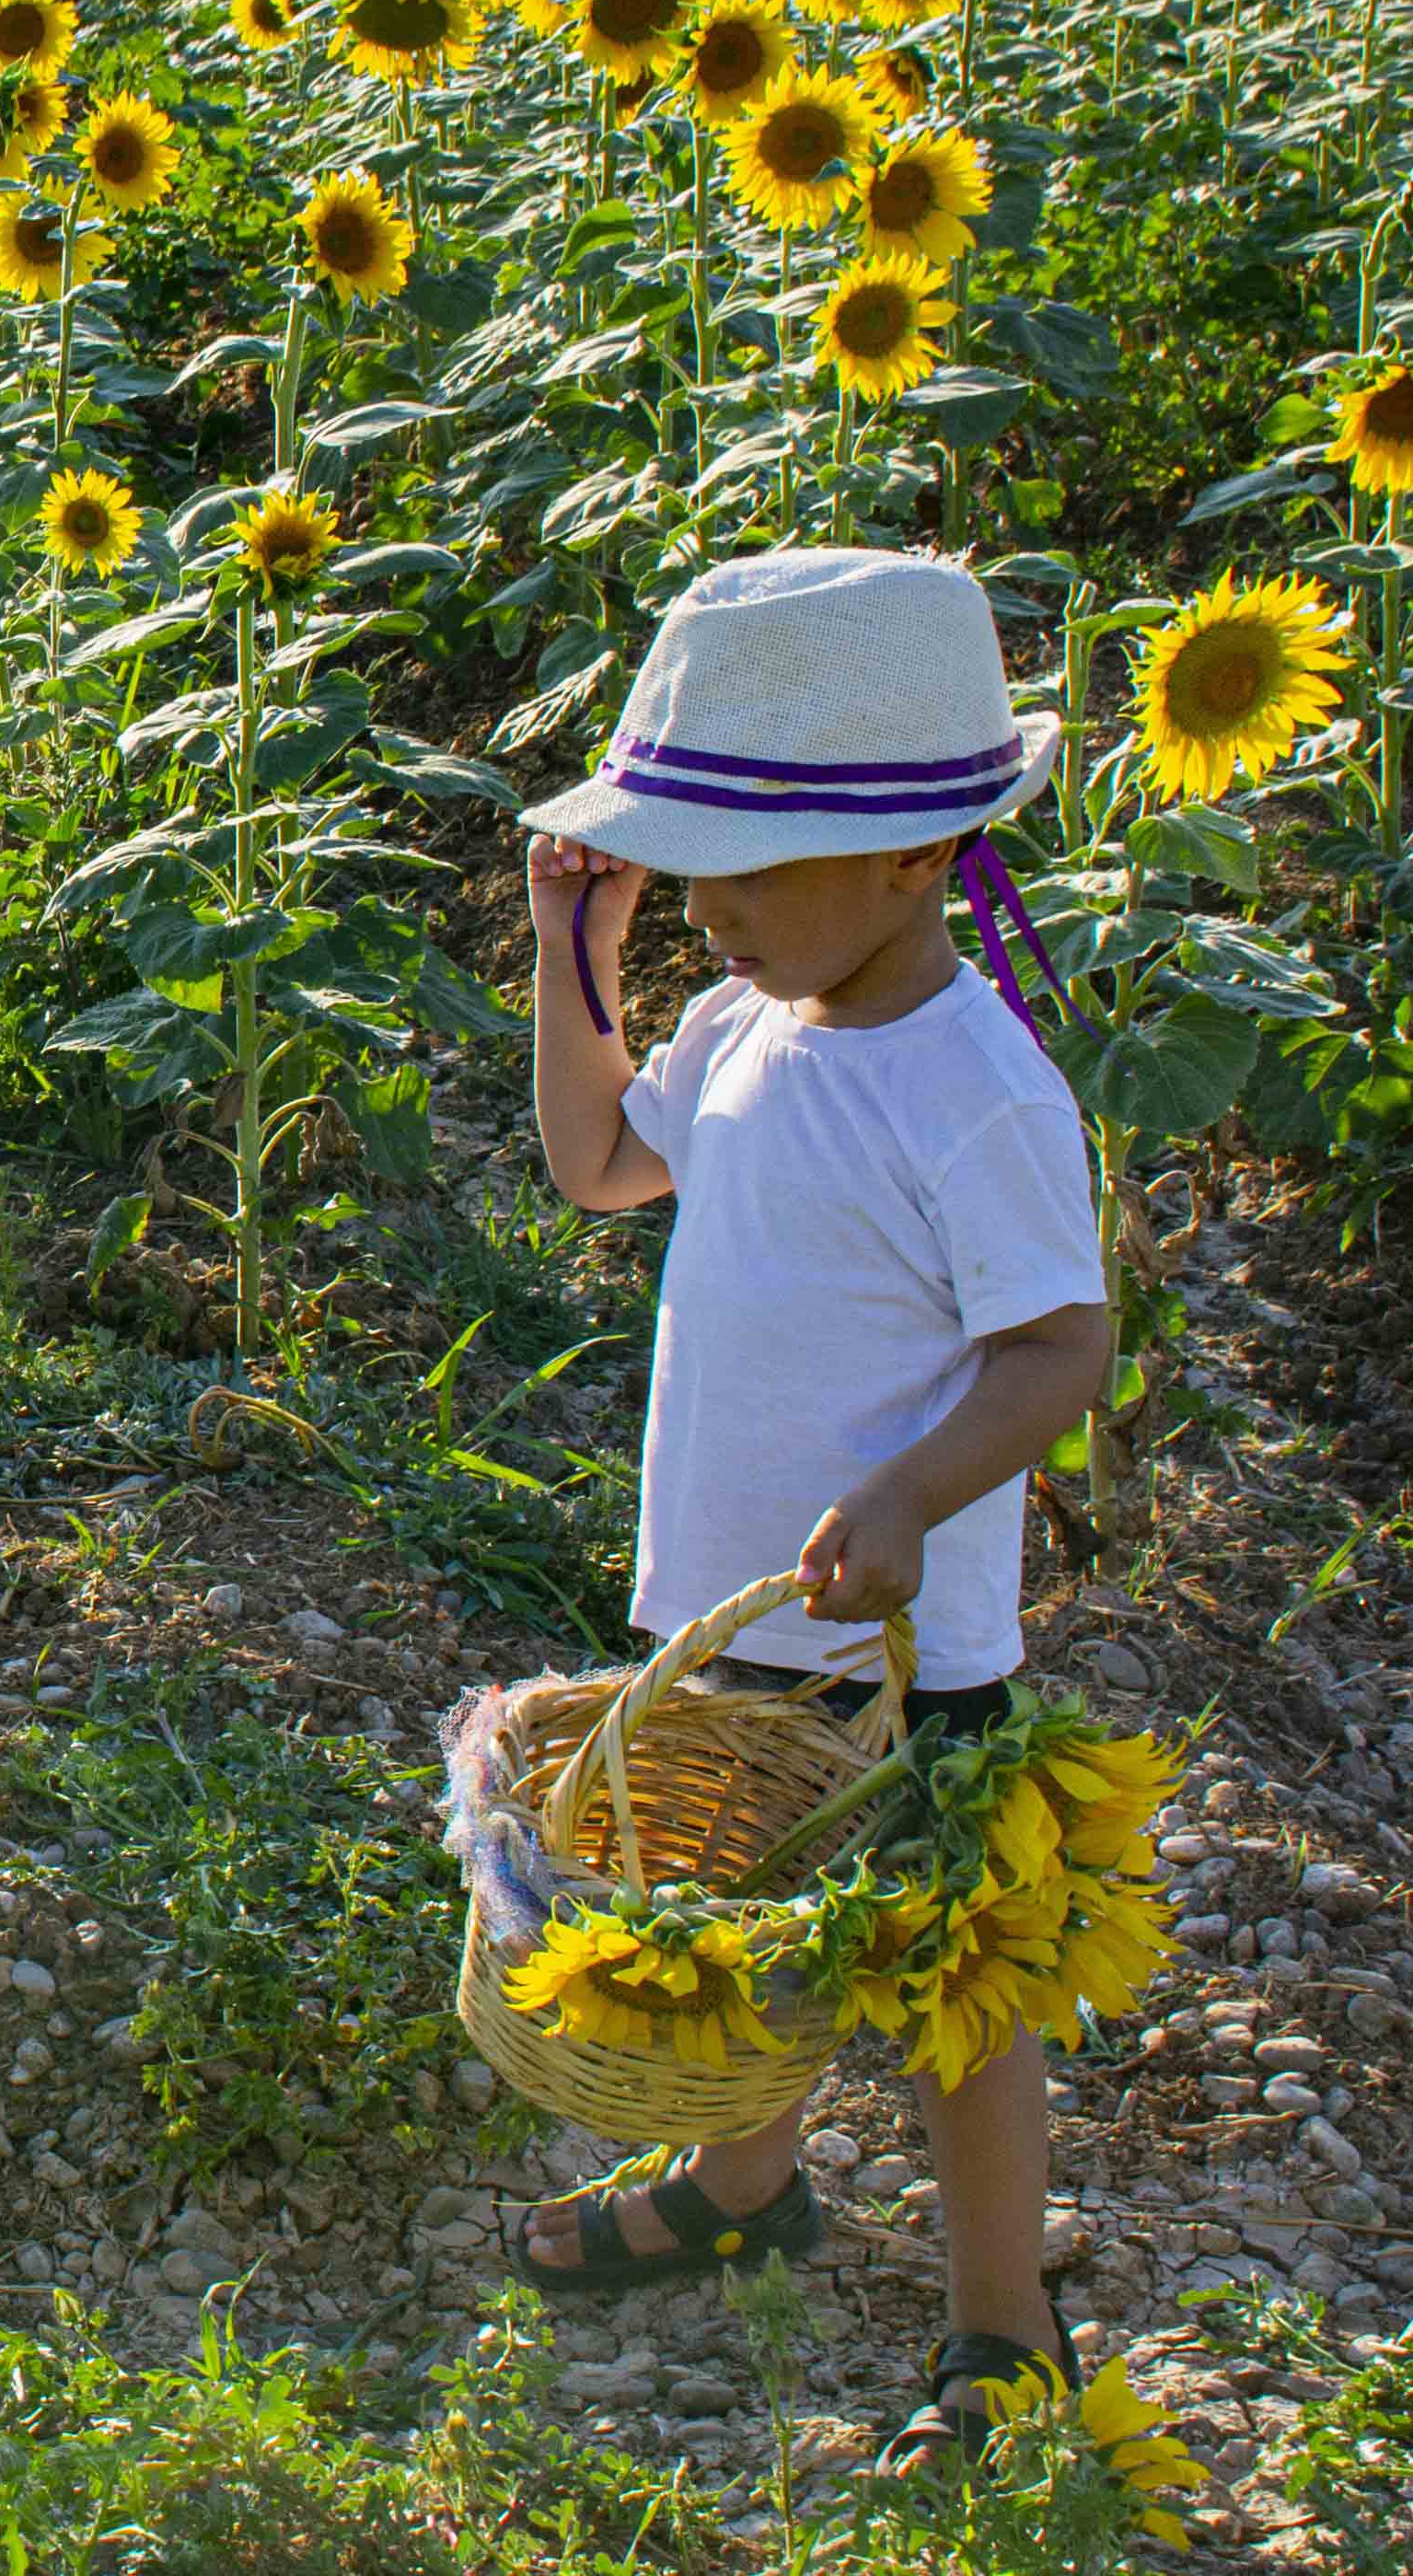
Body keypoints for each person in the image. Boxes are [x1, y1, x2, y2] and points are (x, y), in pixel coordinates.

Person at [497, 545, 1114, 2471]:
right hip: (726, 1611)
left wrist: (917, 1487)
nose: (719, 909)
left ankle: (1008, 2327)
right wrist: (567, 952)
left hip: (901, 1643)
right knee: (731, 1933)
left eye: (756, 870)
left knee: (955, 1981)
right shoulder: (741, 1033)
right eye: (695, 869)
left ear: (921, 852)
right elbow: (600, 1161)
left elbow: (1062, 1350)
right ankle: (744, 2176)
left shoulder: (974, 1091)